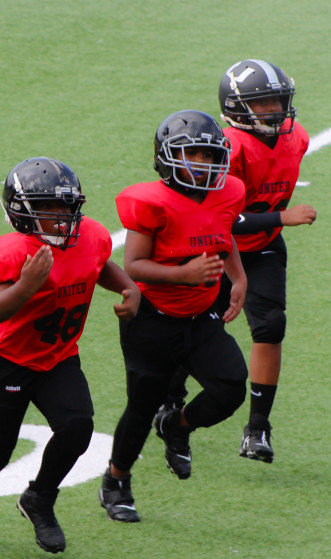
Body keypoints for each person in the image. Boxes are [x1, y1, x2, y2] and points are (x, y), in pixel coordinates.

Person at [0, 158, 139, 553]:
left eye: (68, 207)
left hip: (58, 356)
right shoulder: (17, 252)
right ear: (23, 213)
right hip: (9, 360)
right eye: (51, 208)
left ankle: (40, 498)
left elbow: (98, 264)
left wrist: (128, 288)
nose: (63, 216)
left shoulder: (90, 236)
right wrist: (26, 285)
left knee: (78, 427)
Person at [159, 60, 316, 464]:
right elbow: (224, 216)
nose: (274, 109)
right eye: (263, 102)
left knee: (271, 324)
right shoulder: (227, 147)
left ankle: (258, 427)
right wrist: (282, 216)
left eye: (278, 99)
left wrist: (274, 224)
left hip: (262, 247)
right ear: (237, 107)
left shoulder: (296, 137)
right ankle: (170, 401)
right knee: (192, 331)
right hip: (216, 246)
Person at [100, 111, 249, 523]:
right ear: (168, 158)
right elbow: (135, 264)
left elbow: (222, 235)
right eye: (194, 154)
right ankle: (116, 480)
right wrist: (183, 275)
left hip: (201, 314)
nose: (205, 163)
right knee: (141, 405)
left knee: (231, 386)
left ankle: (178, 425)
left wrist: (238, 277)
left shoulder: (228, 192)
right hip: (151, 318)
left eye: (210, 154)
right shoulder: (150, 202)